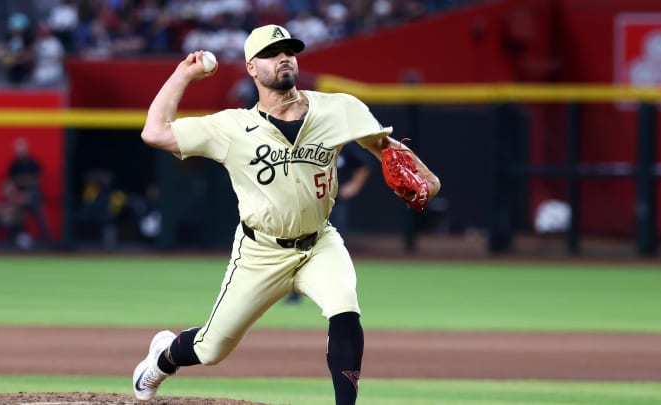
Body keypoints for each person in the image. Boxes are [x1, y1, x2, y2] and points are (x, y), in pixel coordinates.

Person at [133, 24, 441, 404]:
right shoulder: (231, 127)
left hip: (320, 243)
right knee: (211, 349)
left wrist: (430, 181)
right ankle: (162, 358)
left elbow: (394, 155)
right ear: (251, 67)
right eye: (271, 53)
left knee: (345, 309)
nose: (283, 58)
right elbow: (154, 132)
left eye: (289, 51)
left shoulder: (340, 108)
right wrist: (184, 73)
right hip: (261, 252)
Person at [284, 142, 372, 304]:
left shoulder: (344, 144)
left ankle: (337, 292)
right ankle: (295, 292)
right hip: (310, 206)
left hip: (335, 205)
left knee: (334, 249)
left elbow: (364, 164)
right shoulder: (310, 143)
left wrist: (354, 186)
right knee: (301, 248)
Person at [6, 137, 51, 243]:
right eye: (19, 151)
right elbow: (10, 181)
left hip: (33, 193)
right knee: (15, 213)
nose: (21, 153)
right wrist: (17, 193)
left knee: (39, 212)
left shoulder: (33, 162)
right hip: (19, 195)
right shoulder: (15, 164)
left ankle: (47, 240)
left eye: (22, 150)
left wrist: (27, 181)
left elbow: (40, 177)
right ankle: (17, 238)